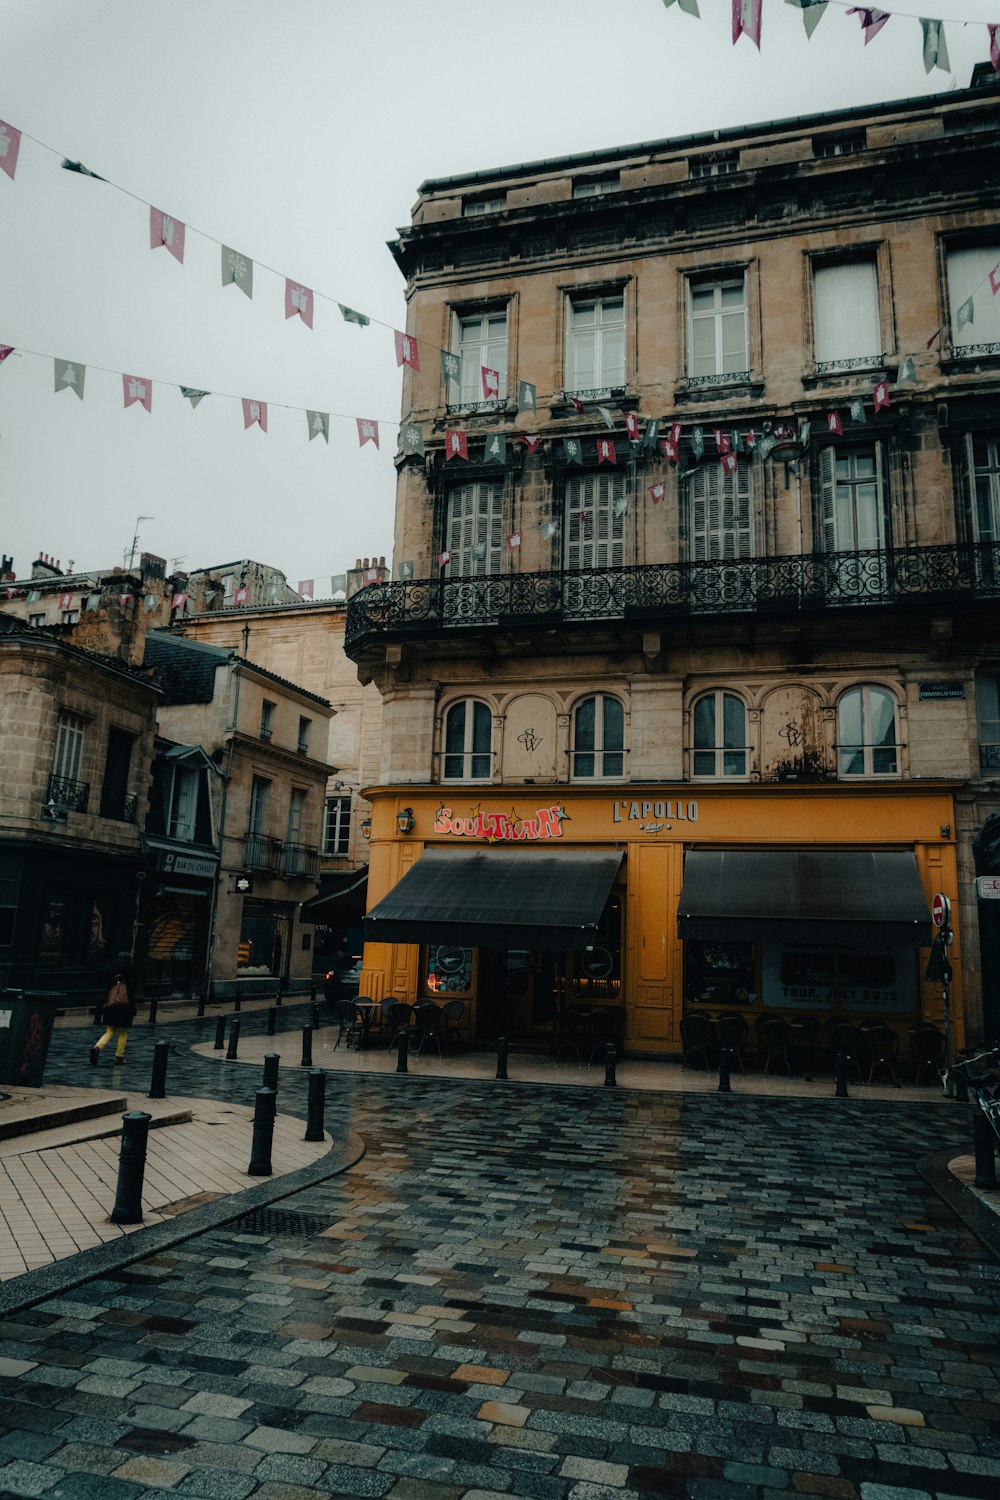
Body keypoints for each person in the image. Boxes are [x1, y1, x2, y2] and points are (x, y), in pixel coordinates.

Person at [90, 951, 137, 1065]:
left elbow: (100, 974)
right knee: (122, 1033)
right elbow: (131, 994)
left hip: (111, 1005)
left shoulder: (110, 972)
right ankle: (119, 1057)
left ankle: (97, 1047)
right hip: (125, 1008)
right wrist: (133, 1008)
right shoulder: (129, 973)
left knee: (109, 1031)